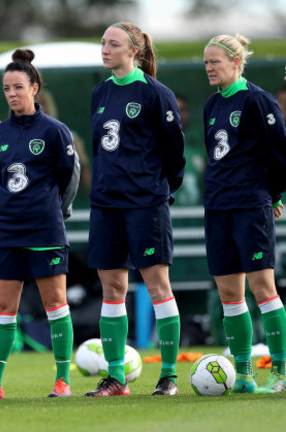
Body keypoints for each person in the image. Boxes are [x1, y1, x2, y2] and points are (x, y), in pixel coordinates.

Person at [0, 49, 80, 400]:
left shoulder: (55, 131)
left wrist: (53, 211)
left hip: (45, 229)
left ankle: (62, 380)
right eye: (7, 88)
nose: (12, 94)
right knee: (4, 308)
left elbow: (68, 177)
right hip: (6, 230)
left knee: (55, 304)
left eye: (18, 87)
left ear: (34, 88)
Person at [86, 22, 185, 397]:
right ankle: (116, 378)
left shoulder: (155, 93)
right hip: (106, 204)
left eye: (113, 44)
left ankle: (169, 376)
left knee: (158, 286)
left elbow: (174, 152)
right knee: (111, 287)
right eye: (103, 43)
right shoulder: (99, 92)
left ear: (134, 50)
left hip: (146, 202)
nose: (105, 49)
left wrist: (158, 190)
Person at [202, 34, 286, 393]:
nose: (208, 68)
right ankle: (245, 374)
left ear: (236, 62)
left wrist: (275, 194)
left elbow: (280, 151)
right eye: (206, 62)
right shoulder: (211, 106)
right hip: (217, 206)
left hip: (250, 205)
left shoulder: (257, 100)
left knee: (262, 288)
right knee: (229, 294)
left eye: (215, 61)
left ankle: (281, 373)